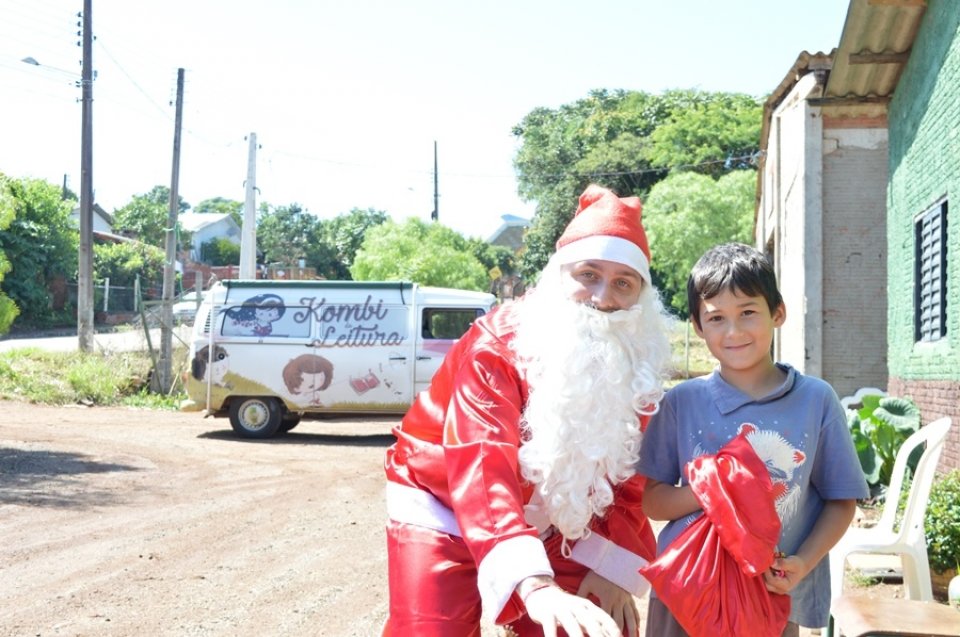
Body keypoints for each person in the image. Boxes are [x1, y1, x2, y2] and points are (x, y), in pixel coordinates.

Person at [382, 184, 674, 637]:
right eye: (588, 274)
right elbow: (482, 468)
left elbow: (628, 478)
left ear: (640, 295)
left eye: (623, 282)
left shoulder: (634, 359)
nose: (603, 297)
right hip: (443, 499)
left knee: (591, 625)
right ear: (559, 277)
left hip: (556, 514)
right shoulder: (496, 347)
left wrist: (612, 562)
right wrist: (536, 583)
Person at [636, 242, 869, 637]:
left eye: (748, 313)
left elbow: (841, 501)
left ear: (777, 313)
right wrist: (718, 489)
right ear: (697, 326)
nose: (734, 331)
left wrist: (803, 563)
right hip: (686, 593)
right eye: (716, 318)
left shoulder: (815, 400)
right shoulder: (680, 403)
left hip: (772, 597)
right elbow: (653, 501)